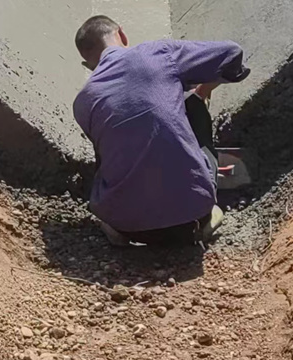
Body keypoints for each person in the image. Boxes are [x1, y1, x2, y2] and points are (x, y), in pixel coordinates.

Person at [72, 16, 250, 247]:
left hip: (127, 226)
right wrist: (202, 90)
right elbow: (231, 54)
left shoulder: (83, 102)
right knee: (192, 106)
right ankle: (211, 208)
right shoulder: (158, 53)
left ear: (89, 65)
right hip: (193, 215)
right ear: (122, 35)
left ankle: (116, 220)